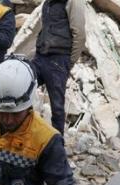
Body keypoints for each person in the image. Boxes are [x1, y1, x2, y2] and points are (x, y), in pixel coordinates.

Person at [31, 0, 86, 135]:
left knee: (57, 107)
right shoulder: (47, 3)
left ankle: (57, 146)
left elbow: (79, 34)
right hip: (41, 57)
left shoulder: (73, 2)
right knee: (23, 85)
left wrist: (69, 62)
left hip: (59, 59)